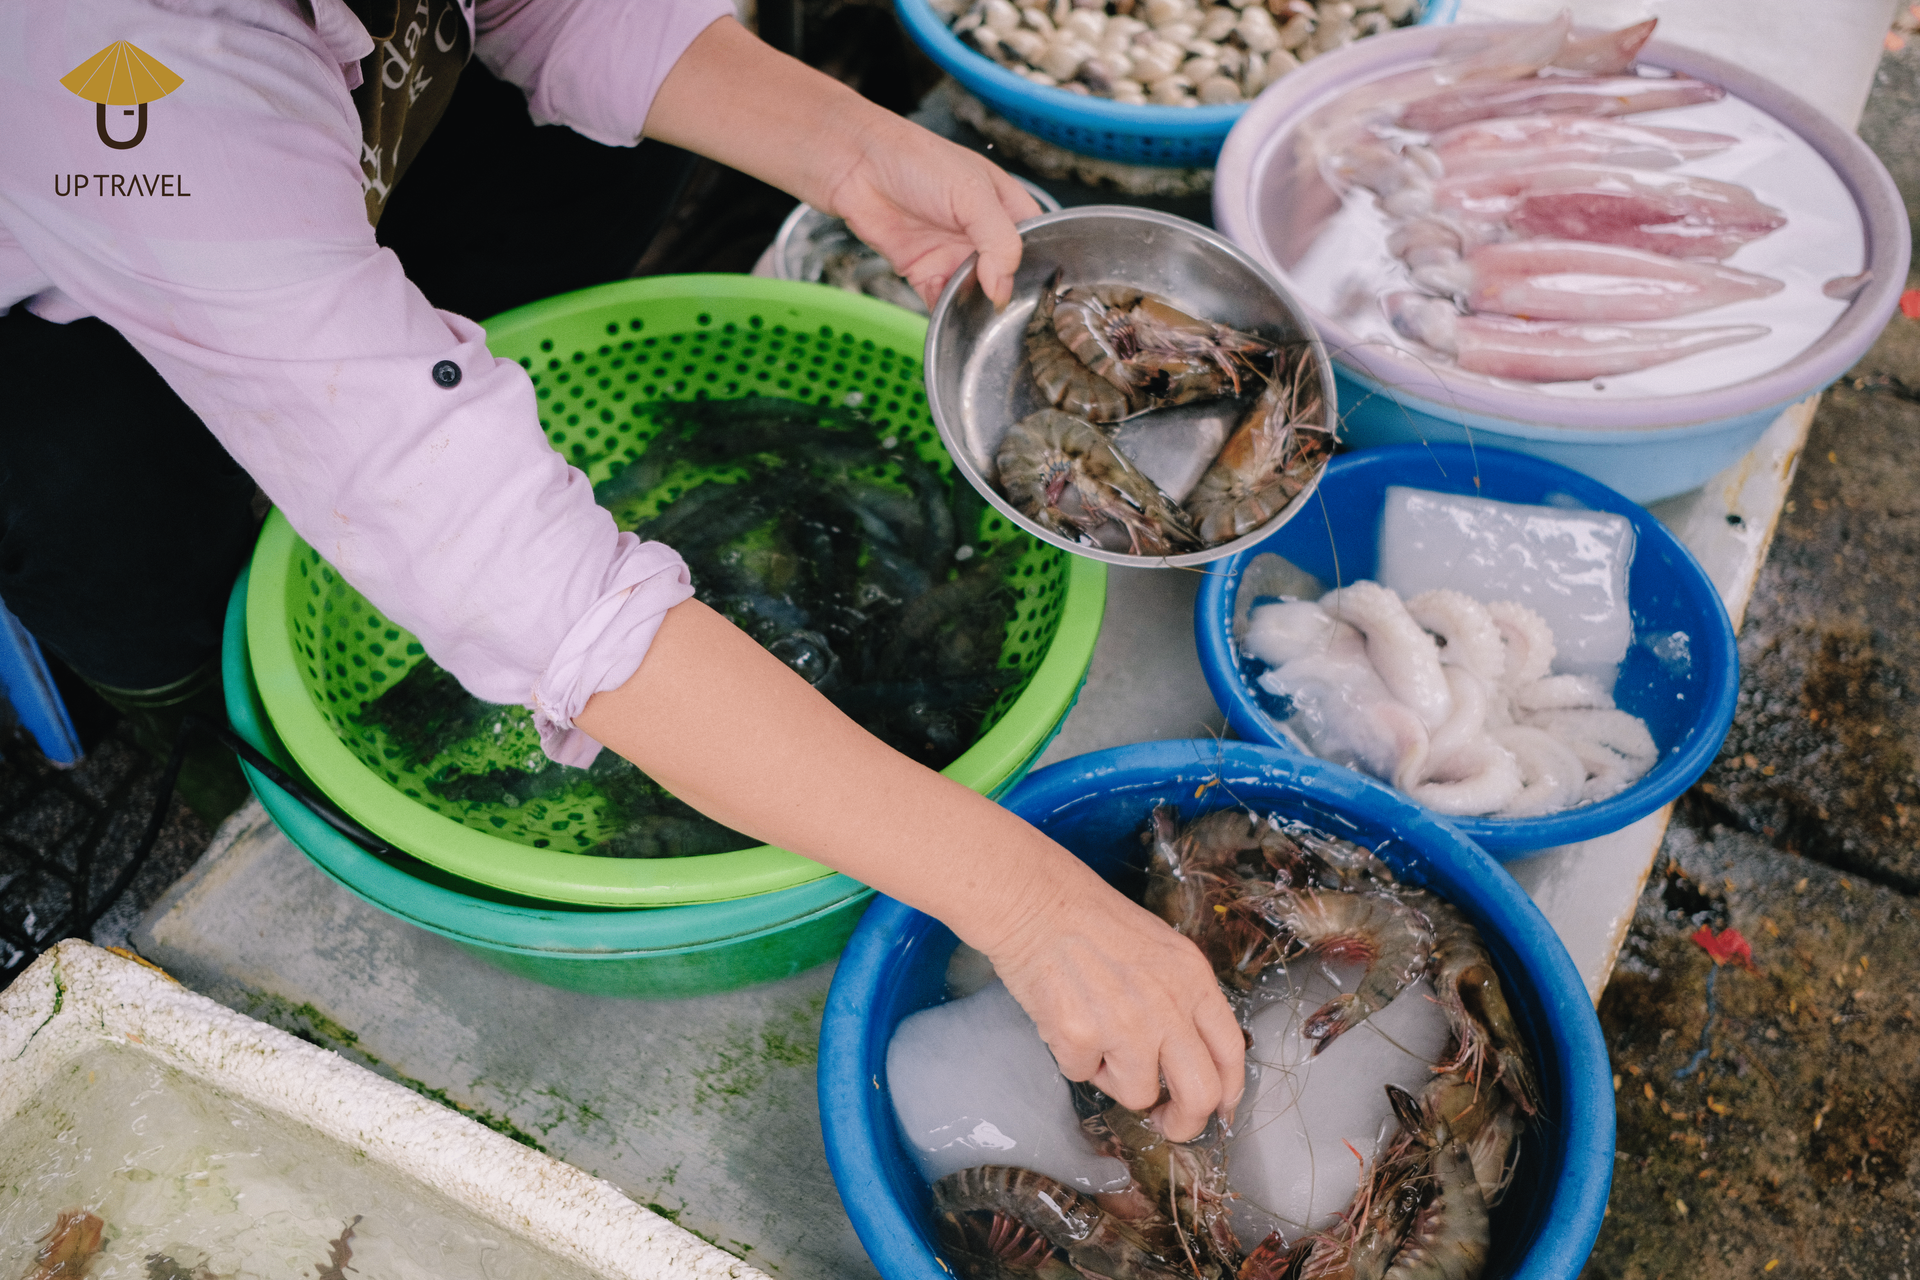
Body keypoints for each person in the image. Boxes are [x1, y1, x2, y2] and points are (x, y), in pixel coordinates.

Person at [0, 0, 1245, 1140]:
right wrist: (1023, 898)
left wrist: (848, 150)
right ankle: (219, 788)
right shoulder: (112, 62)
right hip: (83, 351)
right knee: (180, 613)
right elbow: (519, 565)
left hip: (299, 179)